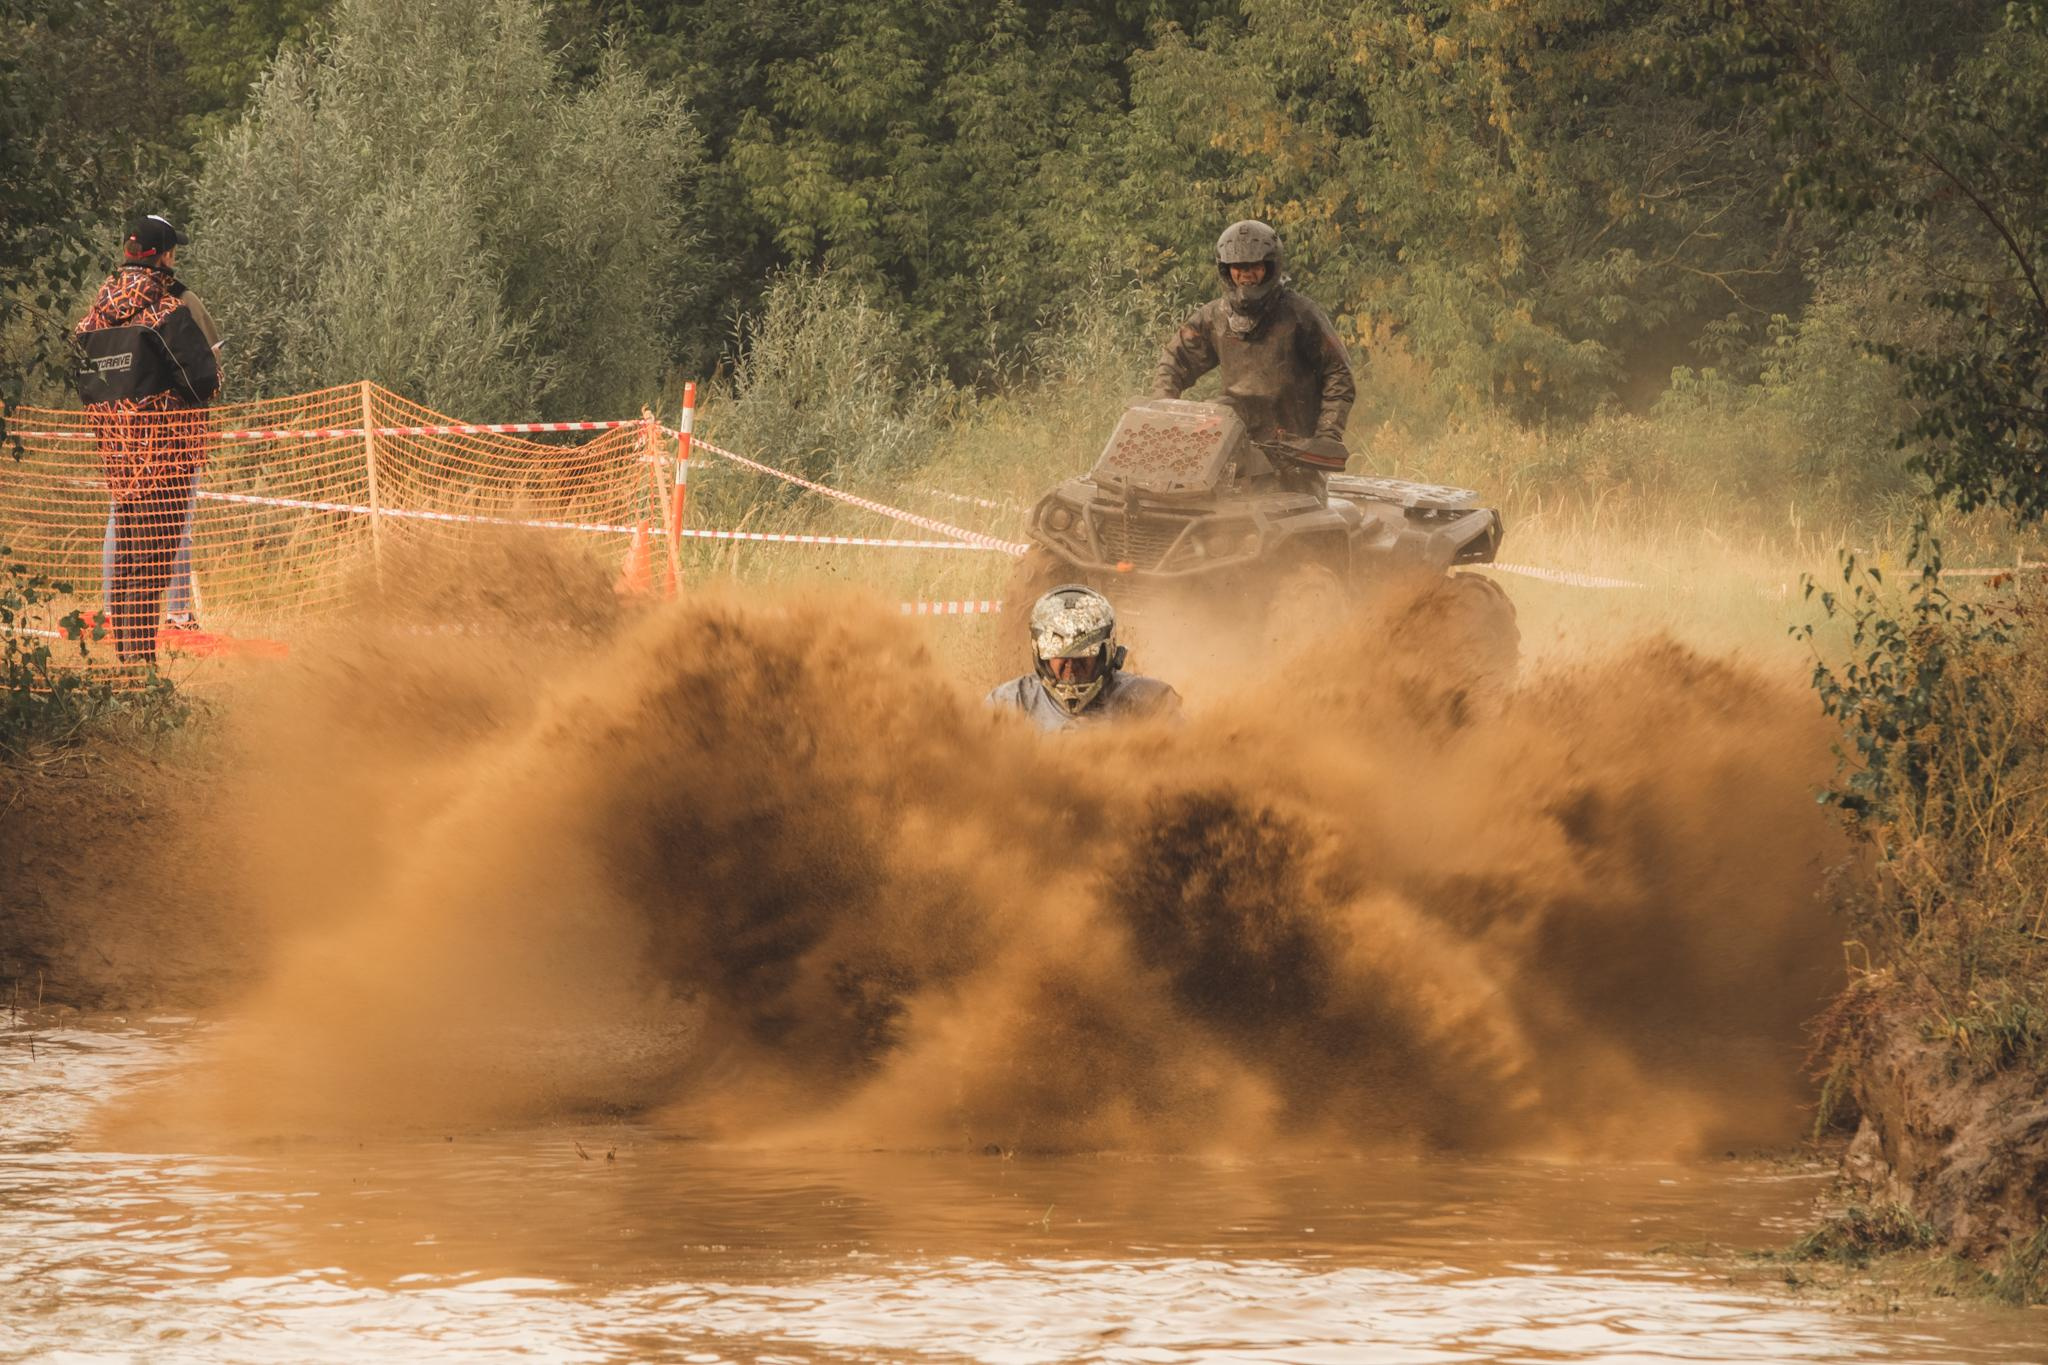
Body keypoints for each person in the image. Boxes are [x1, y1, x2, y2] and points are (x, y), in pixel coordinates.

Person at [74, 214, 221, 664]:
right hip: (167, 455)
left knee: (127, 553)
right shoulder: (168, 311)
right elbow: (204, 383)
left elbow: (86, 385)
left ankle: (130, 661)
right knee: (154, 560)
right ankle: (140, 668)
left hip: (118, 453)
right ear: (166, 256)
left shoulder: (94, 316)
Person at [1152, 219, 1357, 474]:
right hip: (1232, 448)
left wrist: (1327, 436)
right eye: (1238, 266)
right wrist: (1163, 409)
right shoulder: (1214, 317)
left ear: (1270, 267)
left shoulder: (1301, 314)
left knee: (1296, 510)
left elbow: (1338, 372)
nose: (1245, 273)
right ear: (1226, 269)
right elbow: (1175, 361)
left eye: (1254, 265)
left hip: (1293, 455)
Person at [986, 585, 1181, 730]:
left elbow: (1191, 765)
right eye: (1061, 656)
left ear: (1105, 653)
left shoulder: (1150, 701)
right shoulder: (1009, 703)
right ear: (1042, 656)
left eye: (1083, 656)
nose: (1071, 666)